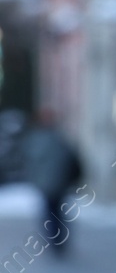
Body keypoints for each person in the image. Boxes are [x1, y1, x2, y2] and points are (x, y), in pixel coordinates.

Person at [21, 107, 84, 256]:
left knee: (57, 213)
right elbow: (31, 163)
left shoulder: (57, 138)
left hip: (58, 183)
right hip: (48, 184)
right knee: (51, 213)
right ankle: (55, 240)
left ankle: (58, 240)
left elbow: (70, 160)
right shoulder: (40, 138)